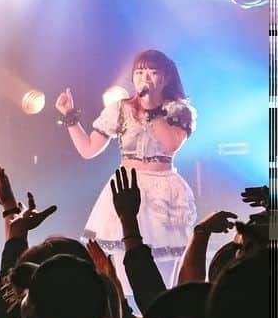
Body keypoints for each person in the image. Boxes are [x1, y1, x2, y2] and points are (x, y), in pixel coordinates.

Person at [55, 49, 197, 287]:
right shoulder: (120, 109)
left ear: (166, 78)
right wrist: (69, 116)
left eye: (153, 72)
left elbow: (170, 144)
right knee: (121, 264)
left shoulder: (178, 111)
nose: (146, 78)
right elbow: (88, 149)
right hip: (127, 187)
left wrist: (152, 109)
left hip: (164, 189)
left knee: (163, 266)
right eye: (140, 72)